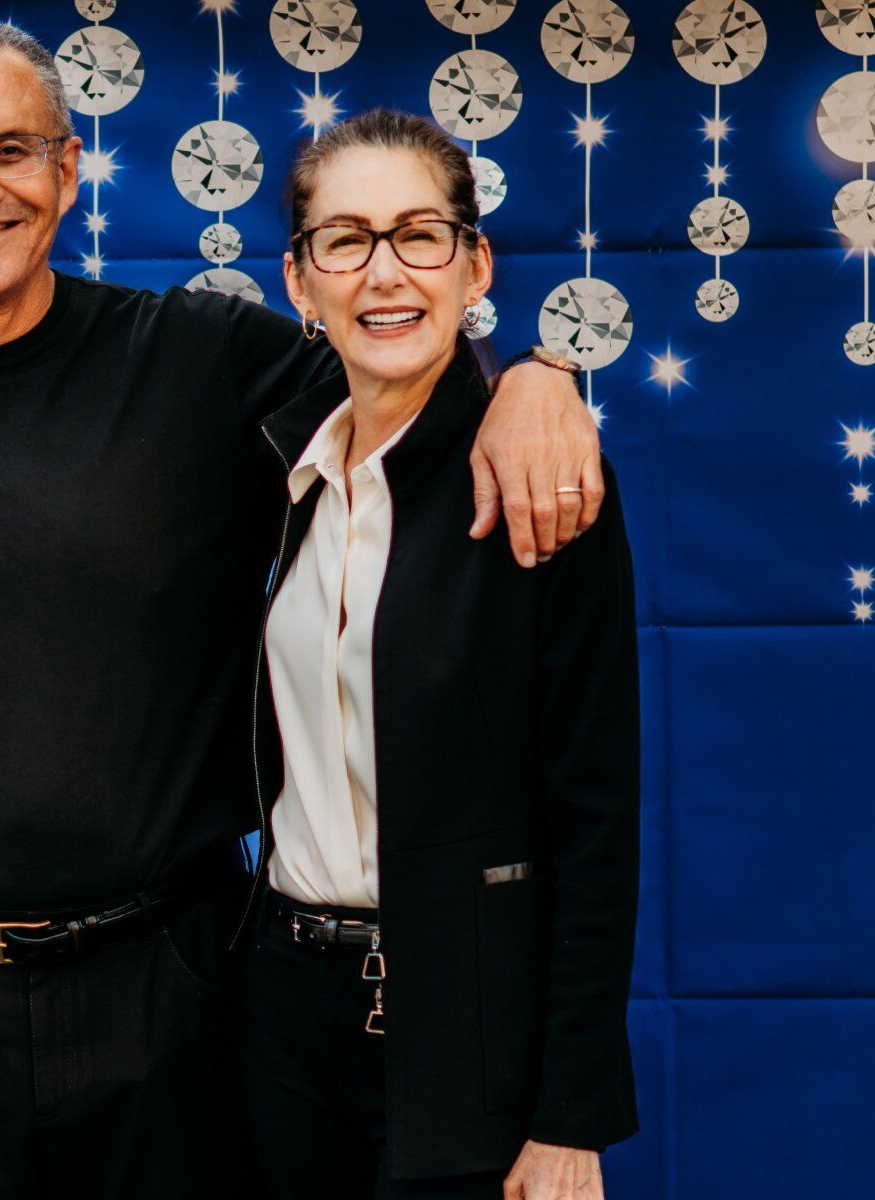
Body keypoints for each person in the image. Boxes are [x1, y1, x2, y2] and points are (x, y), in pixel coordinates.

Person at [0, 16, 605, 1200]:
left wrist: (534, 378)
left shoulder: (203, 360)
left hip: (177, 991)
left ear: (69, 172)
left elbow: (399, 356)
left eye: (12, 150)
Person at [241, 111, 638, 1200]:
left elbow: (594, 822)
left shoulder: (538, 484)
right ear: (298, 280)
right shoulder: (281, 466)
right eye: (345, 239)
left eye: (420, 235)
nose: (384, 272)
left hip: (466, 1031)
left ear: (474, 265)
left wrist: (571, 1118)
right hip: (277, 1014)